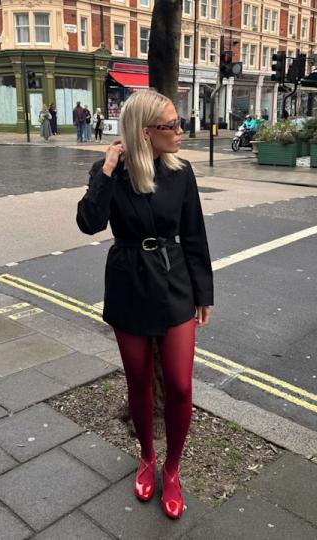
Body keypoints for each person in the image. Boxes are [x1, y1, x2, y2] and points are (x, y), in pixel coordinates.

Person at [76, 89, 214, 521]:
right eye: (171, 125)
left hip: (174, 280)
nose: (180, 131)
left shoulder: (182, 171)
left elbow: (194, 234)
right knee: (137, 381)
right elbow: (88, 222)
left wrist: (203, 292)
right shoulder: (110, 172)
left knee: (179, 383)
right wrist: (106, 171)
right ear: (144, 131)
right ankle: (147, 458)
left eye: (178, 123)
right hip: (129, 280)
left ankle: (172, 470)